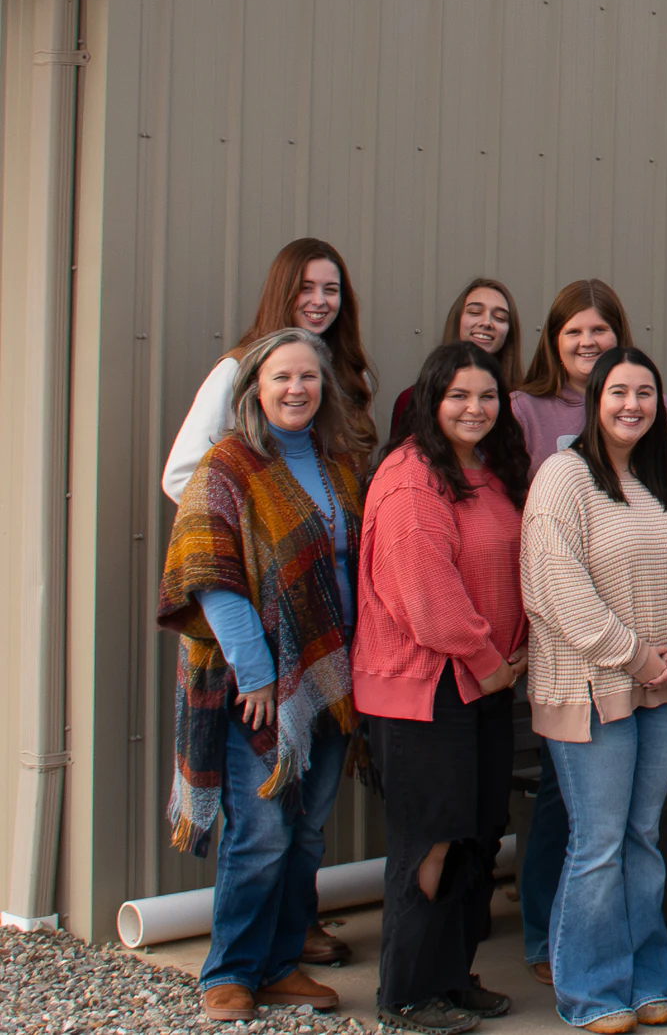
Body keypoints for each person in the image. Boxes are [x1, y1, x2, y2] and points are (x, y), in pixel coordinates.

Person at [157, 328, 366, 1022]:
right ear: (254, 388)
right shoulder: (228, 466)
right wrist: (257, 676)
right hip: (262, 686)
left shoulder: (340, 466)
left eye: (309, 377)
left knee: (307, 831)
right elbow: (209, 575)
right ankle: (230, 972)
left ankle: (280, 965)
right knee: (263, 832)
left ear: (325, 388)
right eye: (282, 377)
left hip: (331, 679)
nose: (296, 388)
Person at [512, 280, 667, 983]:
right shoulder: (563, 478)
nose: (632, 405)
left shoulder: (666, 484)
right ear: (595, 402)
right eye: (618, 392)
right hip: (592, 689)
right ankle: (592, 989)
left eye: (645, 393)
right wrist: (637, 657)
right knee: (596, 845)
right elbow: (558, 592)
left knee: (644, 837)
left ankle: (646, 977)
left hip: (666, 685)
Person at [357, 343, 532, 1034]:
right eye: (459, 395)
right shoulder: (411, 479)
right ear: (431, 400)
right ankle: (407, 992)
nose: (474, 409)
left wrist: (511, 655)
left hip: (485, 682)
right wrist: (488, 659)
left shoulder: (487, 470)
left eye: (487, 396)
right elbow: (425, 596)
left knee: (477, 836)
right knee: (432, 840)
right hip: (427, 687)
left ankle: (453, 976)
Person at [163, 239, 379, 511]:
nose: (320, 301)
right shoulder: (237, 369)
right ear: (282, 293)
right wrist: (260, 522)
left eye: (331, 290)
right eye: (306, 288)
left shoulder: (353, 375)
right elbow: (182, 476)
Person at [389, 279, 522, 440]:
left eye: (499, 317)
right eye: (475, 312)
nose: (487, 323)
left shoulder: (522, 404)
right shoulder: (413, 399)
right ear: (457, 320)